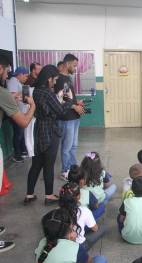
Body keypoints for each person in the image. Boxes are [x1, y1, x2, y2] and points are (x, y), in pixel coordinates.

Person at [25, 65, 82, 206]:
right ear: (49, 78)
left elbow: (48, 107)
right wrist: (68, 100)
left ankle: (29, 194)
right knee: (49, 165)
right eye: (54, 79)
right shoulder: (47, 93)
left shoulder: (37, 91)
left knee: (36, 164)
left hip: (38, 130)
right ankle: (49, 195)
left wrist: (58, 98)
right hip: (50, 131)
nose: (55, 82)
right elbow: (60, 111)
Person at [0, 55, 36, 253]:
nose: (8, 74)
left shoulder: (6, 92)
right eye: (6, 70)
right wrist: (32, 106)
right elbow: (23, 122)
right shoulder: (3, 92)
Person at [34, 208, 108, 263]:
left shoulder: (41, 242)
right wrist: (73, 242)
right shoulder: (75, 248)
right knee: (101, 260)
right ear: (69, 232)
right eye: (72, 227)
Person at [57, 53, 85, 181]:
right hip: (66, 119)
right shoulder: (59, 79)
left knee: (73, 146)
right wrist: (75, 107)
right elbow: (61, 99)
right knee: (66, 147)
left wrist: (77, 103)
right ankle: (65, 171)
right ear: (67, 64)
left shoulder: (67, 78)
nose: (75, 68)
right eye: (74, 66)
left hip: (74, 118)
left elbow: (68, 97)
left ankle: (74, 169)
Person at [59, 182, 106, 251]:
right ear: (78, 197)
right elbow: (95, 229)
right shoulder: (84, 211)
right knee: (104, 227)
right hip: (79, 246)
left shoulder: (56, 212)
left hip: (62, 244)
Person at [7, 66, 29, 162]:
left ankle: (22, 151)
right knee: (18, 134)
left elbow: (17, 97)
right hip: (16, 113)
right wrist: (21, 93)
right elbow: (11, 96)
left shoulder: (17, 82)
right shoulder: (12, 81)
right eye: (25, 76)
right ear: (20, 74)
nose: (26, 78)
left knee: (21, 133)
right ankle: (17, 155)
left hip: (20, 112)